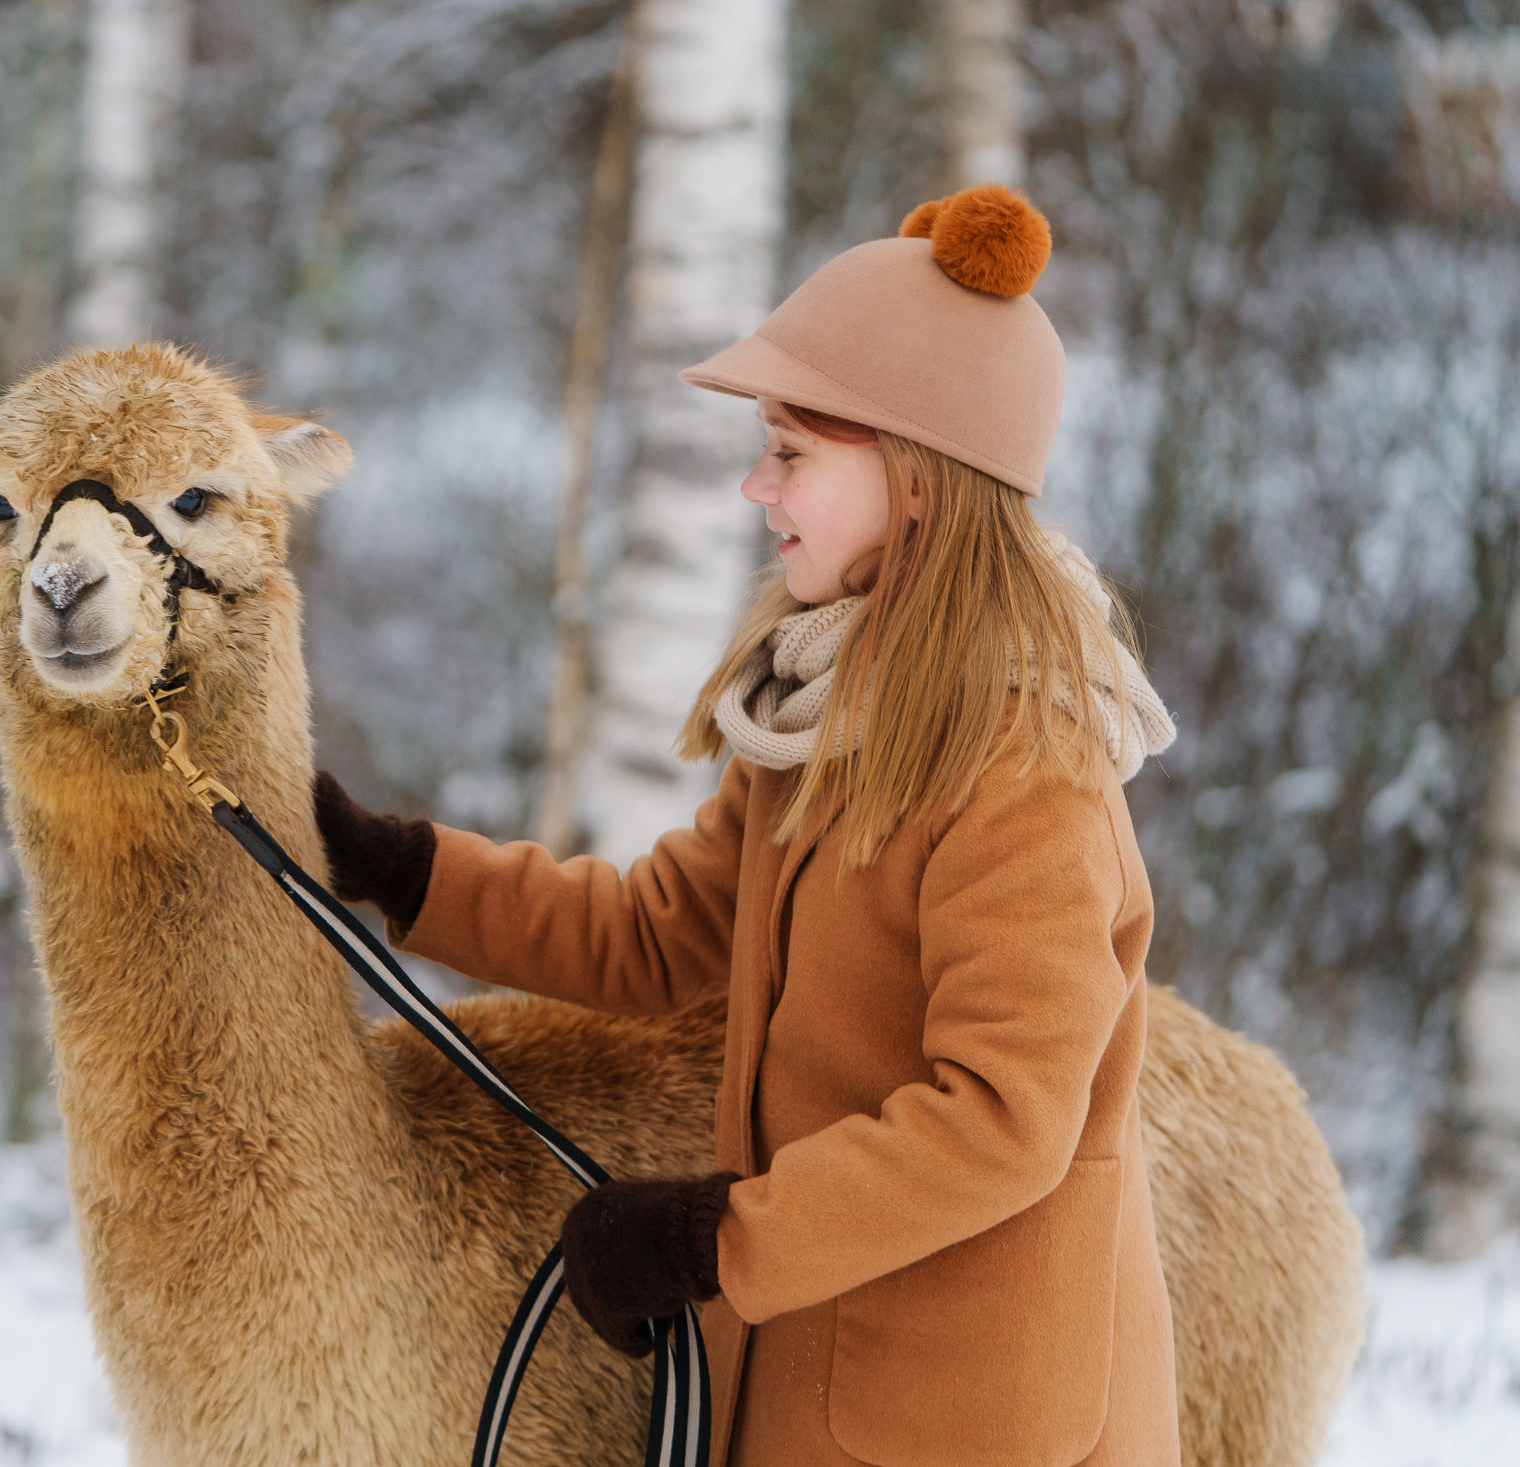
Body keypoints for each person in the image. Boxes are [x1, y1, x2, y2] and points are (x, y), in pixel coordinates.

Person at [311, 184, 1183, 1467]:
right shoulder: (821, 720)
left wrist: (718, 1240)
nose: (751, 485)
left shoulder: (1025, 760)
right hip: (817, 1374)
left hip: (979, 1421)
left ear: (919, 478)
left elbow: (1003, 1116)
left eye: (790, 452)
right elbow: (658, 934)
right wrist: (406, 870)